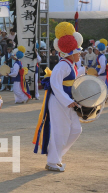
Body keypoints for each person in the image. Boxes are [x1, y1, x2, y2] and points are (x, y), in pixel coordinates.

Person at [33, 22, 84, 172]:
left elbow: (72, 81)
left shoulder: (70, 65)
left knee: (76, 129)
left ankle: (55, 157)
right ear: (71, 53)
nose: (80, 54)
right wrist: (68, 101)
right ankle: (52, 162)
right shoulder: (62, 65)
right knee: (59, 132)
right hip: (59, 103)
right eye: (78, 52)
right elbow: (55, 86)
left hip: (68, 103)